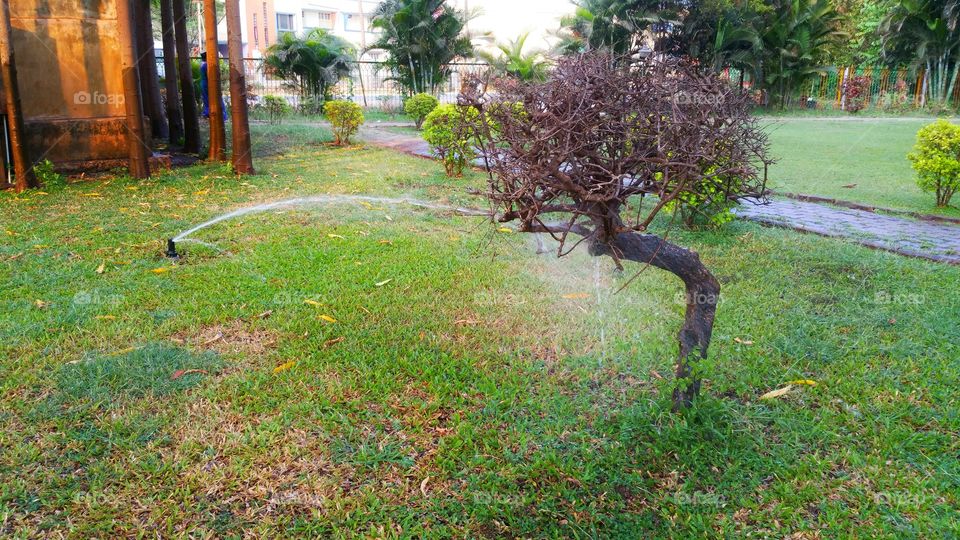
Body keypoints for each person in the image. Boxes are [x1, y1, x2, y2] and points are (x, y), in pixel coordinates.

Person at [199, 51, 227, 120]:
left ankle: (207, 113)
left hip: (203, 83)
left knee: (206, 99)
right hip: (208, 83)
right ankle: (222, 115)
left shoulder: (202, 65)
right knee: (216, 98)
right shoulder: (206, 65)